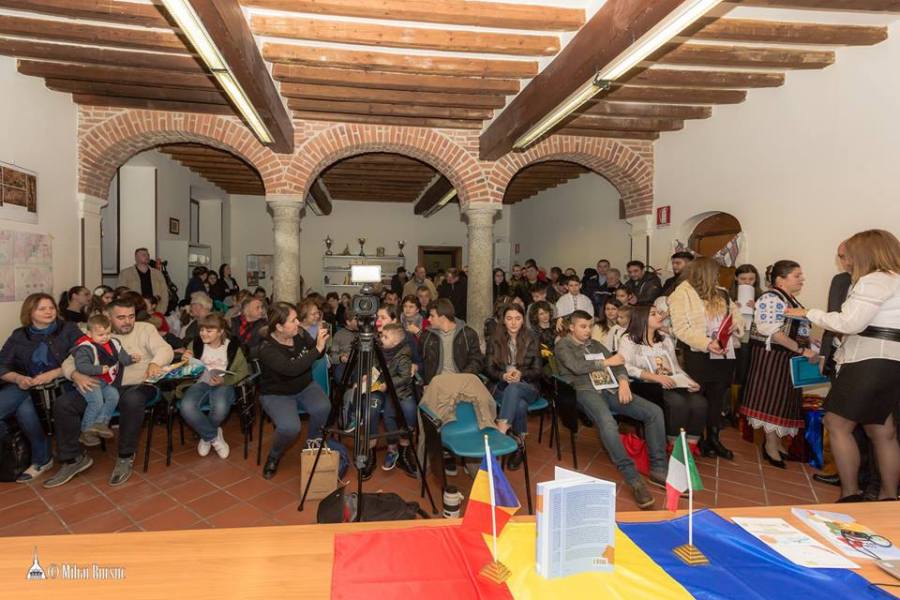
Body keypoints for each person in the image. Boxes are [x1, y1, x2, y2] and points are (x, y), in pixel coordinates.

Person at [787, 230, 900, 502]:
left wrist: (809, 313)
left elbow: (850, 323)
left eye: (850, 254)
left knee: (836, 423)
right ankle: (888, 497)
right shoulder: (896, 278)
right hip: (892, 361)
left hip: (868, 360)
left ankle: (850, 494)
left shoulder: (873, 280)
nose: (846, 261)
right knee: (881, 431)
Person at [47, 298, 174, 488]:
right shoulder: (96, 334)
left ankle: (125, 457)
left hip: (139, 385)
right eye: (121, 317)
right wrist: (74, 374)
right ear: (108, 317)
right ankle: (72, 459)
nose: (127, 321)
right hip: (102, 388)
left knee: (132, 399)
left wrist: (155, 363)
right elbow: (68, 362)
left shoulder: (145, 329)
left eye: (131, 316)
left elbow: (165, 349)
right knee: (64, 404)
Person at [555, 310, 667, 509]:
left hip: (611, 388)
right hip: (585, 390)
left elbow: (619, 364)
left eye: (590, 326)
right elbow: (576, 367)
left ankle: (658, 468)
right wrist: (607, 362)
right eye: (583, 326)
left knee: (654, 412)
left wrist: (623, 381)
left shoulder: (596, 345)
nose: (588, 330)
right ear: (571, 327)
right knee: (608, 423)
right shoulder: (563, 345)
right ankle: (633, 479)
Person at [740, 260, 816, 469]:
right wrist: (802, 350)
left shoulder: (790, 299)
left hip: (787, 357)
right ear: (781, 279)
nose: (802, 279)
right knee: (772, 400)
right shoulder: (770, 298)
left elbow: (797, 329)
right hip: (772, 358)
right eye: (797, 276)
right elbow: (774, 333)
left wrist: (811, 343)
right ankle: (770, 446)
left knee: (784, 401)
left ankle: (777, 444)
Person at [0, 294, 83, 482]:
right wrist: (18, 378)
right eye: (42, 308)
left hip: (61, 383)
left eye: (51, 308)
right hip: (26, 384)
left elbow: (84, 357)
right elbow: (2, 364)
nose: (48, 312)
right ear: (30, 312)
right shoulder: (19, 335)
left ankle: (42, 459)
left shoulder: (68, 329)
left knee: (25, 409)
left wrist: (53, 374)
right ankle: (19, 451)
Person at [669, 257, 744, 460]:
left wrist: (736, 325)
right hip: (698, 353)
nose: (718, 276)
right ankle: (697, 437)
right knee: (697, 398)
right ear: (704, 273)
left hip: (723, 351)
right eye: (715, 272)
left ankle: (713, 438)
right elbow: (681, 328)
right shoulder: (681, 294)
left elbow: (736, 316)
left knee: (717, 397)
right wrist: (706, 343)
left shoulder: (722, 292)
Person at [257, 302, 330, 479]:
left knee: (323, 407)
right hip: (277, 393)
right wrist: (318, 348)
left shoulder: (300, 333)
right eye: (293, 320)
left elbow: (318, 354)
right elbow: (291, 369)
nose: (298, 322)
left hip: (304, 385)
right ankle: (274, 455)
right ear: (279, 327)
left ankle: (312, 443)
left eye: (297, 318)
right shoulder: (266, 349)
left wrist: (320, 342)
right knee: (290, 428)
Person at [620, 305, 707, 450]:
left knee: (700, 403)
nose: (660, 317)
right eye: (653, 314)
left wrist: (689, 381)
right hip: (646, 385)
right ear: (641, 318)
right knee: (678, 403)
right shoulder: (628, 339)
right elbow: (626, 366)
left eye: (659, 313)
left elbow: (675, 367)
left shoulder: (665, 339)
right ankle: (674, 447)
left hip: (671, 382)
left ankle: (689, 448)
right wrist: (656, 377)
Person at [178, 313, 250, 460]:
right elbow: (186, 370)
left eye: (209, 330)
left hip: (224, 383)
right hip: (201, 382)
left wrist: (225, 380)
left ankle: (206, 436)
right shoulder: (196, 344)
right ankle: (213, 437)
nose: (203, 333)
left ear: (220, 331)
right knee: (186, 406)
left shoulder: (232, 347)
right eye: (201, 329)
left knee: (220, 407)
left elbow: (243, 371)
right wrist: (185, 361)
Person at [484, 304, 541, 470]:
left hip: (528, 386)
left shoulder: (532, 338)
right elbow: (488, 369)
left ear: (523, 320)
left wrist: (520, 374)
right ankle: (519, 445)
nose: (514, 322)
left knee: (515, 388)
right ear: (503, 320)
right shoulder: (494, 339)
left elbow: (537, 370)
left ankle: (501, 431)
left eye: (518, 318)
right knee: (519, 405)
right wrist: (503, 375)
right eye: (509, 318)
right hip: (501, 385)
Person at [71, 313, 138, 443]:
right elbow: (81, 366)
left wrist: (131, 359)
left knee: (114, 396)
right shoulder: (85, 347)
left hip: (105, 382)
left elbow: (123, 358)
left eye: (108, 333)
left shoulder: (114, 343)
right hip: (89, 381)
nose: (105, 337)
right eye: (100, 335)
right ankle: (85, 431)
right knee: (96, 402)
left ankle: (101, 423)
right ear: (89, 334)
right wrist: (98, 369)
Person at [371, 323, 418, 478]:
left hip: (402, 393)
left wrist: (387, 384)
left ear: (396, 342)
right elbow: (377, 369)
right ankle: (392, 448)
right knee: (388, 417)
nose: (381, 338)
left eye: (385, 337)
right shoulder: (380, 351)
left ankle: (405, 449)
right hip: (390, 393)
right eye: (381, 335)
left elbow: (404, 377)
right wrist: (371, 377)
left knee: (409, 412)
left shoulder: (404, 355)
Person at [729, 264, 763, 420]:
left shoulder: (762, 297)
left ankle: (741, 409)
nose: (747, 282)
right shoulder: (727, 295)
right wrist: (731, 309)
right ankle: (728, 408)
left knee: (746, 371)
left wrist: (758, 309)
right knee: (731, 371)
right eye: (743, 279)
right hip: (732, 335)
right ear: (736, 278)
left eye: (751, 279)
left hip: (751, 336)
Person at [420, 298, 483, 384]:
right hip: (436, 384)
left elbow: (476, 361)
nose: (428, 319)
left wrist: (462, 378)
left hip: (462, 383)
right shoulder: (427, 336)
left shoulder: (467, 334)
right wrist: (416, 366)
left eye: (432, 316)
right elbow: (420, 360)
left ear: (443, 318)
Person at [117, 247, 170, 313]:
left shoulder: (158, 274)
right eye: (143, 255)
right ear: (136, 258)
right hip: (135, 310)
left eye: (148, 255)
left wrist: (162, 311)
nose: (147, 257)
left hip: (155, 310)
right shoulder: (125, 273)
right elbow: (121, 293)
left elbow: (165, 294)